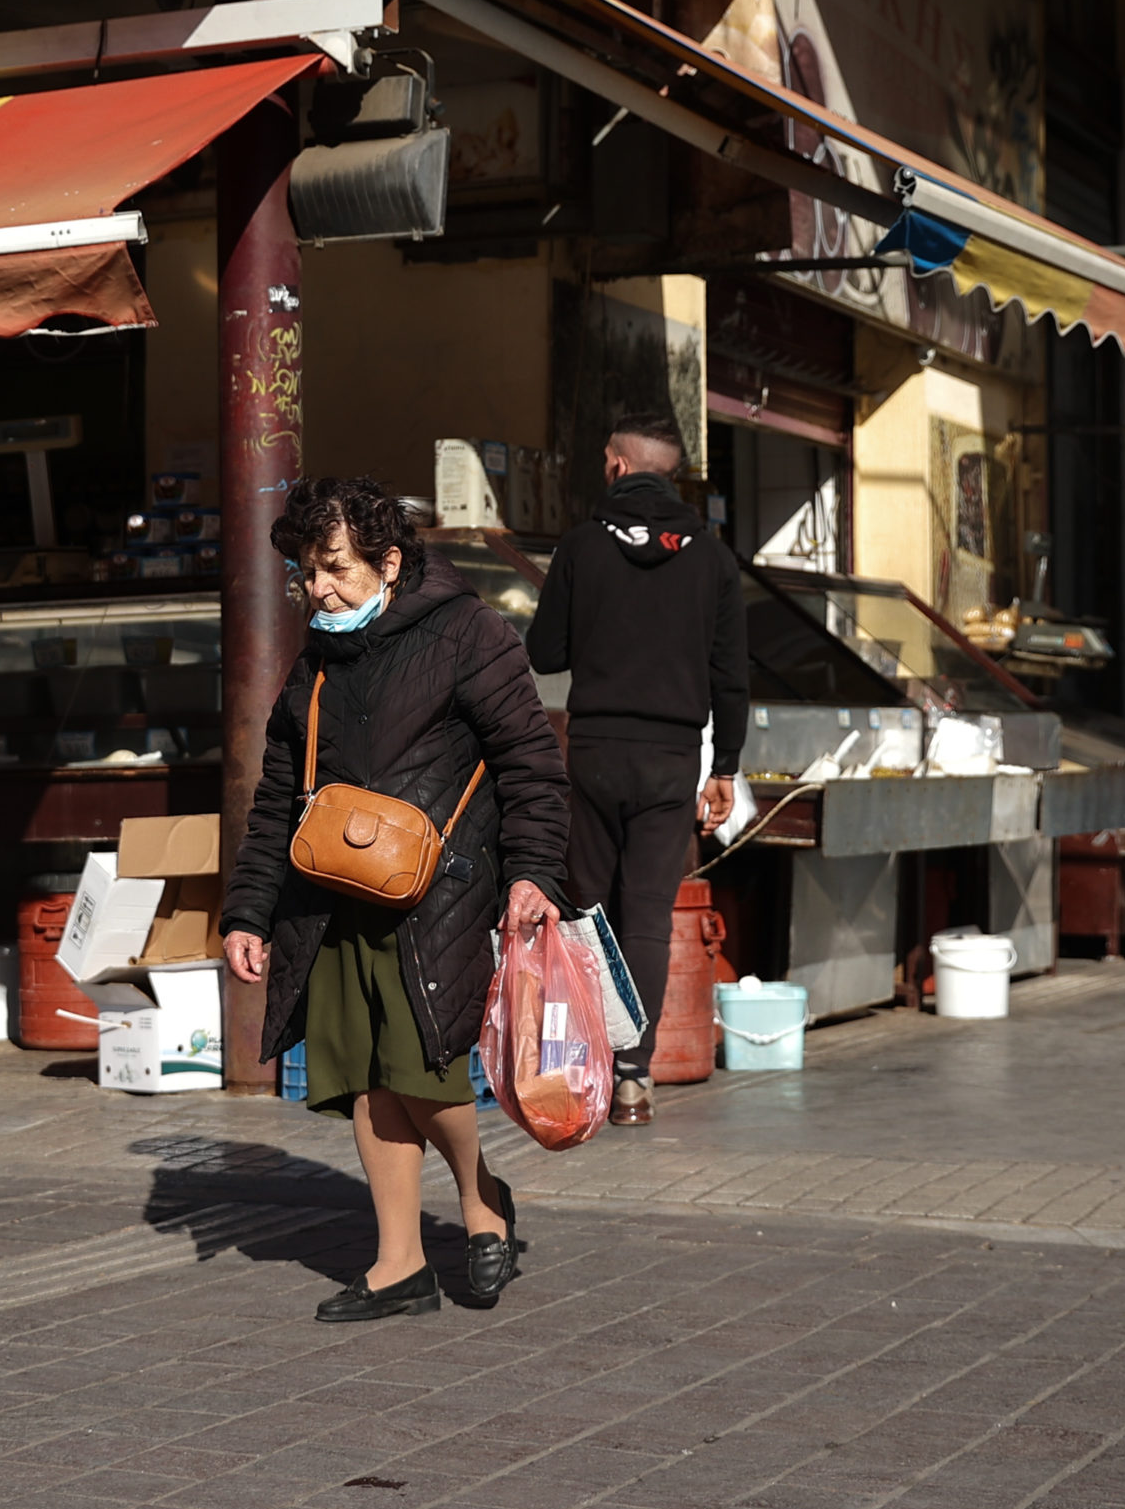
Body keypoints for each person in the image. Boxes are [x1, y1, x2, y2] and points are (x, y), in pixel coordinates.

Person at [221, 478, 570, 1321]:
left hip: (439, 893)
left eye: (334, 569)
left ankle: (481, 1197)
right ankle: (399, 1263)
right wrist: (246, 910)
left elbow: (529, 758)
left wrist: (535, 874)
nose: (319, 590)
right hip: (332, 895)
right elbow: (279, 797)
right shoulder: (315, 663)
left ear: (388, 558)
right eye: (308, 573)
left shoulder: (466, 631)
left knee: (426, 1072)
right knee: (366, 1074)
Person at [523, 411, 744, 1126]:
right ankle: (632, 1079)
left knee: (588, 907)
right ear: (669, 473)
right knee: (647, 916)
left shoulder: (584, 546)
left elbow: (544, 651)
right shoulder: (711, 557)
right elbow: (731, 675)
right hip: (674, 758)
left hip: (594, 751)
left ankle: (579, 1061)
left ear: (616, 466)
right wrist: (728, 768)